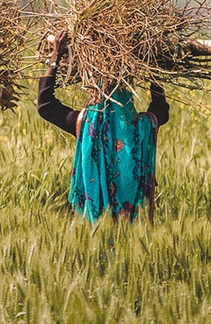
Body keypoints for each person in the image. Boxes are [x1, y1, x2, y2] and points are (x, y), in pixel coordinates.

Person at [37, 30, 169, 223]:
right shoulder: (142, 128)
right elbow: (161, 109)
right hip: (132, 239)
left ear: (94, 89)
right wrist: (154, 68)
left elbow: (45, 105)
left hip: (91, 236)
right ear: (127, 90)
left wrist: (55, 56)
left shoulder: (87, 124)